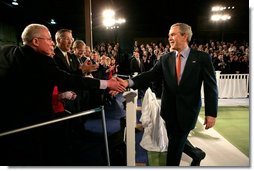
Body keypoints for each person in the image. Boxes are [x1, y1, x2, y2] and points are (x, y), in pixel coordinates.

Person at [0, 23, 125, 165]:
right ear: (35, 41)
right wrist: (106, 84)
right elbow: (67, 79)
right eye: (48, 39)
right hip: (32, 124)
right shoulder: (41, 60)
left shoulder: (7, 51)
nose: (52, 42)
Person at [116, 23, 218, 166]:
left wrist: (211, 113)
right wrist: (129, 83)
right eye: (169, 34)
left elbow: (210, 87)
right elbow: (149, 75)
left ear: (185, 36)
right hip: (169, 111)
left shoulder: (202, 58)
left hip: (188, 111)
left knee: (175, 147)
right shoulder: (165, 58)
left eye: (173, 34)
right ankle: (197, 154)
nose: (169, 37)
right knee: (176, 139)